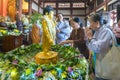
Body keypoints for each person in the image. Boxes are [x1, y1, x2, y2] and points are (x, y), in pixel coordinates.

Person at [85, 14, 113, 80]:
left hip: (107, 64)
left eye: (90, 23)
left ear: (97, 23)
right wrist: (89, 38)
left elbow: (98, 48)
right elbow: (91, 47)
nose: (89, 25)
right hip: (100, 63)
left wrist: (90, 38)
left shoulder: (106, 31)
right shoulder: (97, 32)